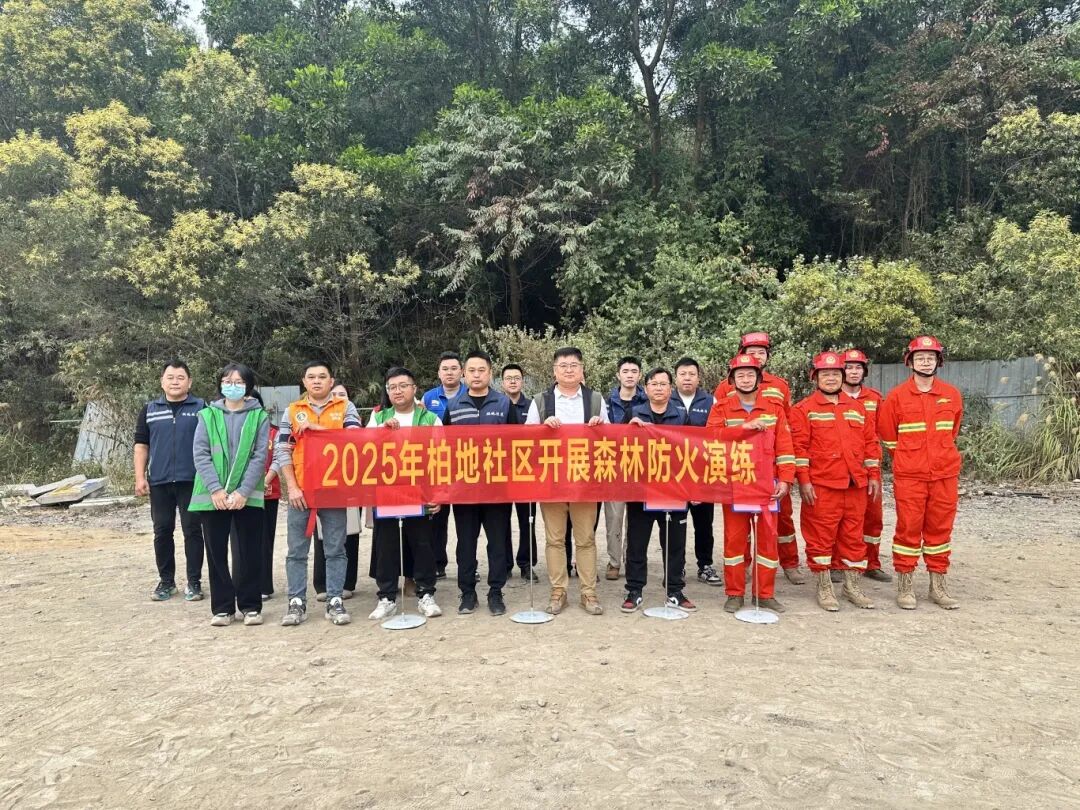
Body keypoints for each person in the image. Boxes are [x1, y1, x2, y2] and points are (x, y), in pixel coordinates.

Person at [789, 352, 881, 612]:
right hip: (822, 486)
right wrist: (804, 481)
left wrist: (873, 474)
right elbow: (799, 449)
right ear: (815, 377)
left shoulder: (857, 408)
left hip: (855, 485)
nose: (831, 378)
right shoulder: (803, 410)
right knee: (820, 537)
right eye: (825, 374)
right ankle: (824, 587)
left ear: (842, 376)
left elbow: (870, 444)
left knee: (854, 537)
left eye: (835, 374)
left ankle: (852, 587)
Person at [714, 332, 807, 585]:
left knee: (778, 525)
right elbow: (714, 436)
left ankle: (786, 568)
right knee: (737, 532)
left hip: (770, 475)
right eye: (751, 352)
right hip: (737, 476)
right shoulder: (723, 393)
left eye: (761, 352)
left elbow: (785, 436)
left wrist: (786, 478)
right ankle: (740, 576)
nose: (756, 356)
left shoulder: (779, 389)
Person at [877, 336, 963, 610]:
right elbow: (887, 435)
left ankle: (938, 586)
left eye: (930, 357)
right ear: (910, 362)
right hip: (910, 477)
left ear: (938, 361)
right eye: (920, 358)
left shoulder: (951, 394)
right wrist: (908, 458)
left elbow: (952, 431)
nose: (925, 362)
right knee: (908, 530)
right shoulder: (896, 396)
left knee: (940, 530)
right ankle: (905, 586)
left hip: (944, 475)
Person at [275, 361, 362, 627]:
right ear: (304, 381)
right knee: (296, 551)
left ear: (331, 381)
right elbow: (283, 451)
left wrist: (319, 430)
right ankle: (296, 602)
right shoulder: (292, 411)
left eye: (322, 377)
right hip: (301, 492)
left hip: (334, 491)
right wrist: (292, 487)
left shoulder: (345, 407)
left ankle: (335, 599)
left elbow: (355, 439)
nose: (316, 381)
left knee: (335, 549)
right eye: (311, 377)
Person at [706, 354, 795, 613]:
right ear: (732, 380)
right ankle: (735, 593)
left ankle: (765, 593)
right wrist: (745, 428)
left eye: (750, 375)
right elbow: (712, 438)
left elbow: (785, 447)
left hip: (768, 485)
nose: (745, 379)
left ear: (758, 378)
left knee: (767, 540)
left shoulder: (774, 408)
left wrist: (786, 479)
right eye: (740, 375)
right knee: (735, 542)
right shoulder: (721, 408)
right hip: (735, 484)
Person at [525, 346, 608, 616]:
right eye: (563, 366)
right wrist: (542, 429)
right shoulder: (540, 401)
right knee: (555, 539)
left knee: (586, 539)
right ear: (554, 371)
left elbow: (611, 440)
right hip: (551, 480)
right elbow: (525, 441)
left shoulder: (596, 400)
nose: (569, 370)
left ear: (582, 370)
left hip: (585, 480)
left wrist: (600, 428)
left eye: (574, 365)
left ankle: (588, 593)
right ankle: (558, 591)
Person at [189, 364, 270, 626]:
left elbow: (259, 456)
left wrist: (243, 492)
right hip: (213, 496)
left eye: (238, 381)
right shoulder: (207, 415)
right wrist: (216, 489)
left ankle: (250, 606)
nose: (232, 385)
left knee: (249, 552)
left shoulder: (259, 417)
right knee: (216, 553)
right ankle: (223, 608)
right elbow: (200, 453)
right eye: (227, 381)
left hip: (247, 496)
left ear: (248, 386)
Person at [366, 367, 444, 620]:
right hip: (387, 492)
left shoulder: (430, 419)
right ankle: (387, 597)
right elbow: (363, 447)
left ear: (414, 388)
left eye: (403, 386)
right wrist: (382, 431)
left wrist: (439, 493)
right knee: (386, 545)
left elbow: (442, 457)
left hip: (420, 492)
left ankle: (426, 594)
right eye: (392, 387)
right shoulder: (379, 417)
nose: (397, 391)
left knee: (422, 543)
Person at [443, 350, 516, 616]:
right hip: (464, 489)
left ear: (490, 373)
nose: (476, 375)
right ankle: (467, 593)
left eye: (481, 370)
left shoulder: (504, 404)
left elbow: (517, 444)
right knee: (466, 543)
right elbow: (444, 447)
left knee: (497, 542)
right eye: (471, 371)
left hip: (497, 489)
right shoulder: (454, 406)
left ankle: (495, 592)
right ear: (464, 374)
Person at [620, 368, 697, 613]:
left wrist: (693, 488)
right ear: (646, 388)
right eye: (654, 384)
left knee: (675, 544)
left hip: (673, 491)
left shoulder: (681, 415)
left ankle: (674, 590)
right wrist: (628, 429)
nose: (659, 388)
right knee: (637, 543)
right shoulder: (633, 413)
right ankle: (634, 590)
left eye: (664, 384)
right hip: (641, 491)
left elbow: (692, 451)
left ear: (671, 389)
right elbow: (617, 446)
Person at [134, 360, 206, 602]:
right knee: (162, 531)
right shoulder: (149, 409)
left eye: (180, 377)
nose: (175, 382)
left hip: (192, 480)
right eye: (170, 377)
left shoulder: (202, 408)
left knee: (192, 531)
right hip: (160, 481)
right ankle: (166, 582)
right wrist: (139, 477)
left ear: (189, 382)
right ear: (162, 381)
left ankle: (194, 582)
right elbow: (141, 445)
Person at [839, 348, 890, 582]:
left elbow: (880, 433)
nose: (853, 372)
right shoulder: (831, 396)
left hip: (869, 466)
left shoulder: (874, 399)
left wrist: (874, 467)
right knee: (839, 518)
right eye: (848, 367)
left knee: (872, 516)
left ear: (864, 371)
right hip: (840, 469)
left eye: (858, 367)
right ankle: (837, 563)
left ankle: (871, 563)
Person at [673, 356, 720, 586]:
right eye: (683, 374)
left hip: (703, 474)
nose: (687, 378)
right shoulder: (666, 399)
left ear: (699, 378)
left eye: (692, 374)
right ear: (675, 378)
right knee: (676, 523)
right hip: (674, 474)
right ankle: (677, 566)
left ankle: (705, 565)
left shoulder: (711, 401)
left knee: (704, 523)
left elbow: (719, 435)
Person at [313, 382, 361, 602]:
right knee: (322, 534)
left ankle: (347, 583)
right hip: (320, 483)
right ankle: (322, 583)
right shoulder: (317, 415)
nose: (339, 397)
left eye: (343, 394)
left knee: (349, 533)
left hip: (349, 483)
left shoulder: (352, 418)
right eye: (335, 394)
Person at [603, 357, 647, 581]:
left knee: (636, 519)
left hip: (640, 466)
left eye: (634, 371)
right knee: (614, 517)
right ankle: (614, 561)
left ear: (640, 375)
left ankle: (632, 558)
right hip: (613, 466)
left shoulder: (648, 401)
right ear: (618, 375)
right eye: (625, 371)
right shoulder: (606, 402)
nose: (630, 375)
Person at [422, 352, 464, 578]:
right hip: (437, 467)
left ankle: (467, 565)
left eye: (454, 368)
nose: (450, 372)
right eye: (445, 369)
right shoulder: (428, 398)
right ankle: (438, 564)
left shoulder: (471, 394)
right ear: (439, 373)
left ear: (461, 372)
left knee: (466, 520)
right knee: (438, 518)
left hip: (465, 465)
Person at [501, 364, 538, 582]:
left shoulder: (533, 406)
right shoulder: (497, 405)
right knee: (501, 521)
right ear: (502, 382)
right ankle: (504, 564)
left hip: (527, 472)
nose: (513, 381)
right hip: (501, 473)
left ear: (522, 381)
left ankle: (526, 564)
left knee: (528, 520)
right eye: (509, 378)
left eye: (517, 377)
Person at [255, 391, 281, 600]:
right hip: (238, 495)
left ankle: (264, 585)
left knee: (264, 540)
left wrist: (266, 479)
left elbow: (280, 457)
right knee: (240, 542)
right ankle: (243, 584)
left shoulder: (274, 432)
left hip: (267, 493)